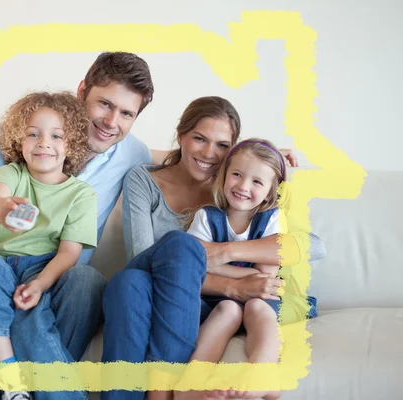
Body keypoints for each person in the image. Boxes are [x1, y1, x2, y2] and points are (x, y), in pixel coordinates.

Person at [0, 52, 155, 400]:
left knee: (86, 280)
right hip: (1, 272)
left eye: (127, 113)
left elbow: (181, 182)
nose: (111, 121)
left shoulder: (135, 157)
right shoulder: (18, 138)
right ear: (82, 91)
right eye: (104, 103)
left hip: (59, 283)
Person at [101, 96, 326, 400]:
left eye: (222, 146)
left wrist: (226, 252)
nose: (209, 153)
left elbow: (312, 246)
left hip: (207, 300)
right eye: (199, 139)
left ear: (232, 150)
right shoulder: (150, 182)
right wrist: (234, 287)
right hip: (176, 289)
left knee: (130, 282)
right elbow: (142, 260)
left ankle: (163, 389)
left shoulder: (241, 187)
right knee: (132, 279)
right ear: (181, 136)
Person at [0, 91, 97, 400]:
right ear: (19, 141)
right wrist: (5, 208)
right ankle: (10, 382)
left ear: (71, 145)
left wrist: (41, 285)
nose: (44, 142)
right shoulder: (11, 174)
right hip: (0, 263)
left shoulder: (82, 194)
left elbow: (69, 253)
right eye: (33, 134)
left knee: (34, 322)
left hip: (42, 266)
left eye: (57, 136)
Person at [178, 138, 318, 400]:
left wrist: (219, 263)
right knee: (227, 310)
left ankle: (262, 373)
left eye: (256, 181)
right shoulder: (206, 217)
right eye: (237, 175)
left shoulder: (272, 218)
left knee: (256, 307)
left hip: (264, 298)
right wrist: (243, 275)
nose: (243, 186)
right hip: (219, 298)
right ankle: (192, 385)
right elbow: (193, 266)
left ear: (270, 191)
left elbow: (266, 275)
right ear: (224, 176)